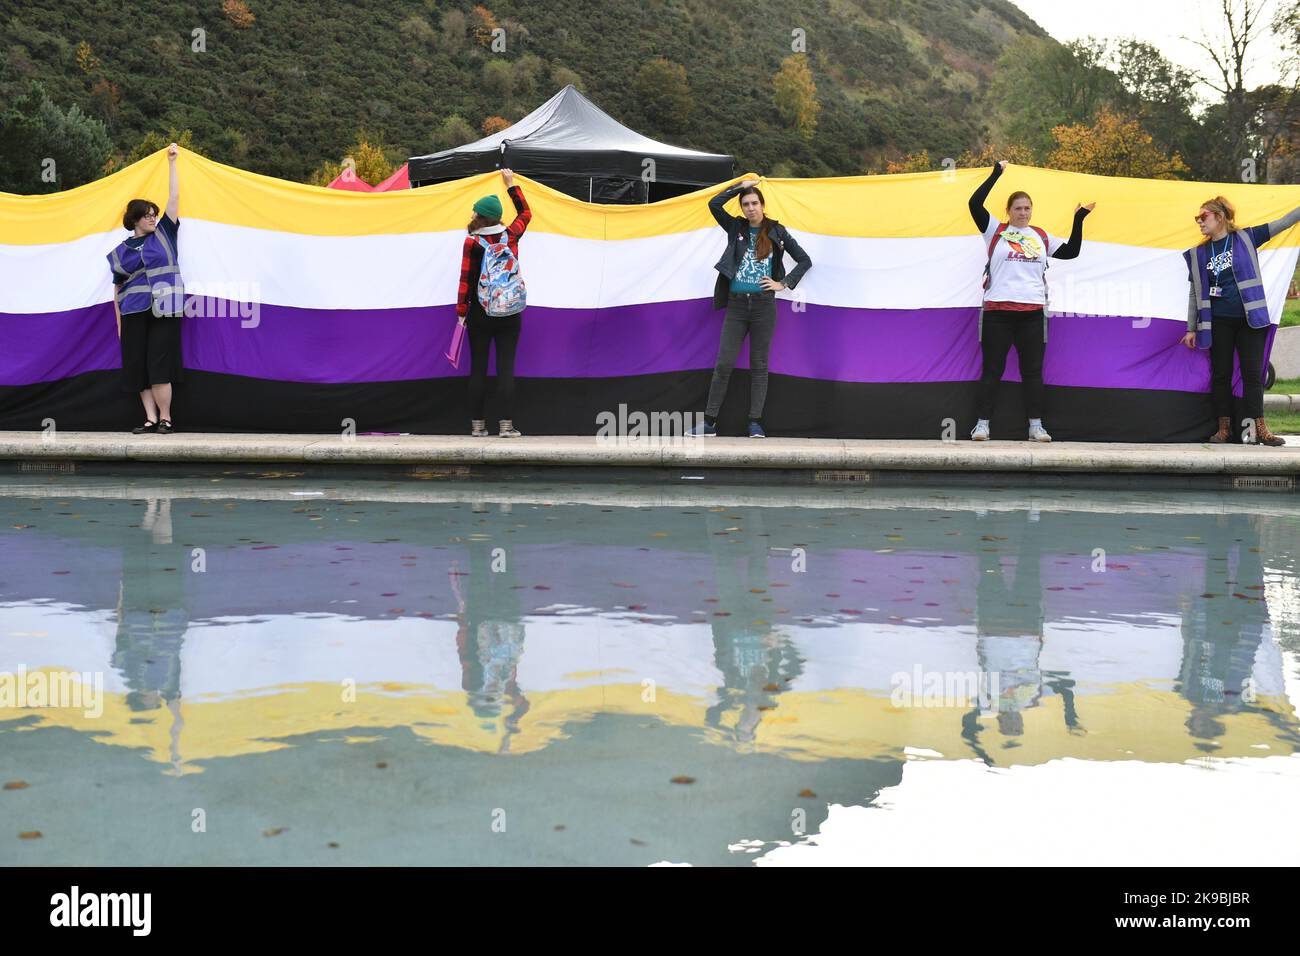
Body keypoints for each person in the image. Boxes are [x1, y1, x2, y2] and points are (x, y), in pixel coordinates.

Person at [967, 161, 1093, 442]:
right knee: (992, 370)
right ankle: (982, 425)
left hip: (1032, 314)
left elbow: (1071, 251)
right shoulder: (995, 230)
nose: (1023, 213)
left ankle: (1036, 427)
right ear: (1008, 211)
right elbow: (974, 204)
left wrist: (1079, 219)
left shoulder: (1041, 236)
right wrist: (996, 174)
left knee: (1033, 372)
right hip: (998, 312)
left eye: (1027, 208)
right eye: (1018, 208)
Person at [686, 178, 812, 438]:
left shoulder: (777, 231)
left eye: (755, 203)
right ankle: (709, 422)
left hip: (764, 307)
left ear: (763, 205)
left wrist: (783, 283)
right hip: (737, 306)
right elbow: (714, 204)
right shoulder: (736, 227)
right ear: (742, 208)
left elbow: (804, 260)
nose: (751, 208)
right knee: (724, 364)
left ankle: (755, 422)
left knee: (759, 365)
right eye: (746, 204)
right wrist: (739, 187)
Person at [1180, 195, 1300, 446]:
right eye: (1197, 218)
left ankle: (1261, 430)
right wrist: (1191, 328)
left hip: (1251, 320)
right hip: (1219, 323)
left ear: (1220, 217)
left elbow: (1283, 222)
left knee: (1253, 375)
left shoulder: (1247, 237)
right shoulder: (1199, 253)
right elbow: (1194, 293)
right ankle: (1223, 429)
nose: (1199, 221)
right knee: (1221, 375)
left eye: (1203, 216)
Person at [108, 142, 185, 434]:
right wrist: (118, 323)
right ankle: (150, 419)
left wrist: (172, 163)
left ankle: (166, 418)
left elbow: (174, 197)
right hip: (132, 314)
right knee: (137, 366)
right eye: (147, 214)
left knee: (160, 364)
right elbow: (117, 290)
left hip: (164, 310)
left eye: (154, 213)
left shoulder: (165, 233)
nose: (153, 217)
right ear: (134, 220)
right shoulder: (120, 252)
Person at [456, 168, 530, 437]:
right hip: (510, 311)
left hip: (480, 313)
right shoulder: (511, 235)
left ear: (481, 216)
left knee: (478, 368)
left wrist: (461, 312)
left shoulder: (472, 242)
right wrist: (511, 185)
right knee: (505, 368)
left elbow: (465, 280)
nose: (472, 216)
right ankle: (506, 426)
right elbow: (526, 213)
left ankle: (477, 426)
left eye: (475, 212)